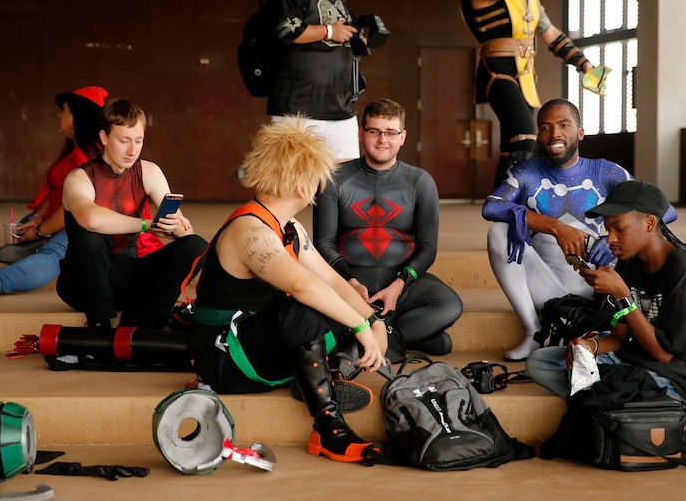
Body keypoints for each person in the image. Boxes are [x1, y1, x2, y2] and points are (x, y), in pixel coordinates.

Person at [189, 116, 387, 463]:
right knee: (307, 307)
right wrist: (358, 327)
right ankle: (329, 430)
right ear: (302, 182)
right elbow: (302, 285)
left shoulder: (289, 227)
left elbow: (332, 281)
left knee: (344, 305)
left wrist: (374, 321)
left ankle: (330, 374)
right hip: (224, 359)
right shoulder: (250, 230)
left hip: (256, 342)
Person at [526, 180, 686, 462]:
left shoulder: (682, 267)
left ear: (650, 223)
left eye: (619, 228)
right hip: (642, 353)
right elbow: (618, 336)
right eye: (607, 228)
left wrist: (624, 297)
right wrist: (590, 347)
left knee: (633, 379)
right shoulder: (629, 262)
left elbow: (664, 354)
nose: (609, 238)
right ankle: (620, 390)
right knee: (540, 362)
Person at [482, 98, 677, 362]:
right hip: (545, 284)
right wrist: (556, 228)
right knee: (498, 232)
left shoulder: (606, 171)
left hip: (601, 286)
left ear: (580, 132)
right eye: (546, 127)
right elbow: (491, 207)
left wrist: (611, 240)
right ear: (539, 135)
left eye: (564, 125)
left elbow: (666, 213)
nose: (555, 134)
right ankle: (532, 332)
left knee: (645, 238)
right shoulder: (526, 171)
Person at [460, 0, 610, 187]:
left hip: (525, 75)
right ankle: (508, 203)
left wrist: (584, 64)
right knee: (525, 134)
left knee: (516, 144)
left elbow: (551, 34)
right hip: (497, 71)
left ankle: (504, 204)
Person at [313, 99, 464, 356]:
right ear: (362, 134)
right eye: (374, 131)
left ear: (402, 137)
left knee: (449, 305)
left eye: (391, 132)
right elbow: (323, 243)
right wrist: (349, 282)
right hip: (346, 281)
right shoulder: (334, 178)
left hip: (401, 282)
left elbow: (427, 249)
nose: (382, 139)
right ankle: (397, 338)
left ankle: (364, 338)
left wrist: (399, 285)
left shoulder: (420, 181)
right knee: (308, 307)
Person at [57, 98, 207, 329]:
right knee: (91, 237)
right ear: (104, 138)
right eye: (124, 141)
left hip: (125, 274)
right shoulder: (80, 177)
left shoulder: (149, 171)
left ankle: (145, 321)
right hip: (83, 281)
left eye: (138, 141)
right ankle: (99, 322)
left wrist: (176, 226)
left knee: (195, 245)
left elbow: (185, 234)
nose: (132, 150)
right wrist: (148, 225)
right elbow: (92, 219)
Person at [0, 86, 106, 298]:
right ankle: (32, 252)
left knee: (54, 254)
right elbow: (56, 190)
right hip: (58, 221)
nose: (58, 115)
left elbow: (73, 210)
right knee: (25, 222)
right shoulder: (73, 151)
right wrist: (39, 216)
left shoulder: (87, 159)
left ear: (76, 118)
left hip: (80, 225)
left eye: (64, 110)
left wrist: (41, 230)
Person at [265, 0, 363, 162]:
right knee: (289, 188)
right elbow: (284, 29)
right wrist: (329, 32)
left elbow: (343, 30)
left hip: (339, 107)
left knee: (344, 188)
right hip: (298, 110)